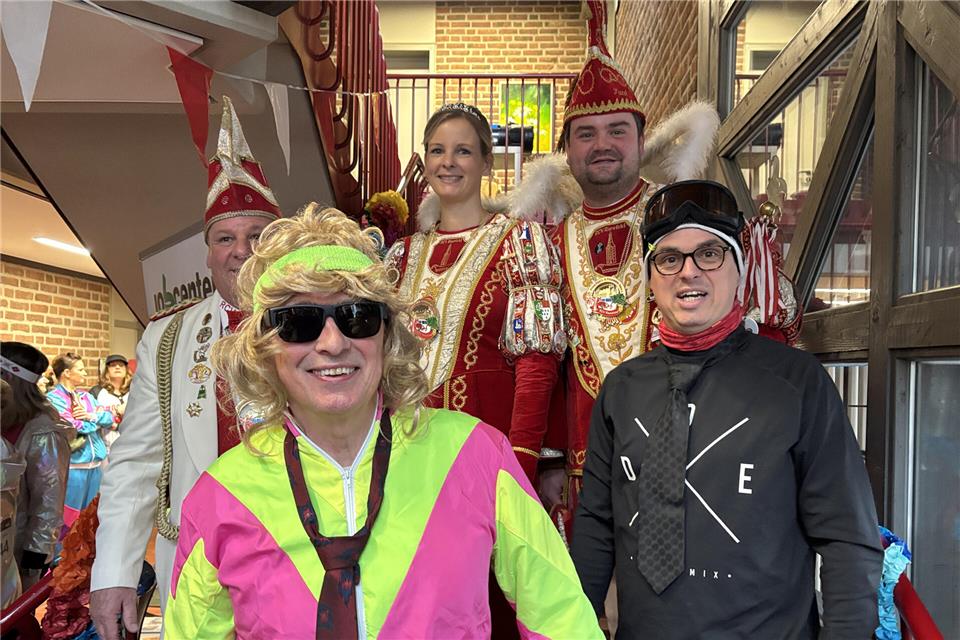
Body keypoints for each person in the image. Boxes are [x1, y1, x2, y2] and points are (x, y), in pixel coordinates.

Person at [163, 204, 602, 639]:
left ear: (387, 335)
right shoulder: (219, 498)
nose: (333, 343)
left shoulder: (475, 457)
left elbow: (564, 620)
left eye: (358, 317)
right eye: (299, 323)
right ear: (263, 348)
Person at [571, 180, 882, 638]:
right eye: (669, 258)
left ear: (738, 269)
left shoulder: (797, 383)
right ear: (651, 277)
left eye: (710, 254)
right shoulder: (621, 390)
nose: (689, 272)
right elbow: (597, 525)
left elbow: (846, 536)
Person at [509, 0, 720, 535]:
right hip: (589, 479)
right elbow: (545, 363)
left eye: (616, 130)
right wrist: (550, 459)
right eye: (586, 133)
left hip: (690, 467)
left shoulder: (685, 225)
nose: (602, 143)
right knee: (594, 611)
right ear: (567, 151)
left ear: (639, 139)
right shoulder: (551, 240)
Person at [90, 95, 282, 639]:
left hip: (302, 561)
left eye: (257, 237)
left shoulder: (318, 325)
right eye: (226, 238)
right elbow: (135, 461)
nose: (240, 251)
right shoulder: (167, 336)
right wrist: (113, 574)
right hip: (198, 573)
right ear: (207, 251)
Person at [385, 102, 565, 482]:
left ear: (486, 163)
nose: (447, 162)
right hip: (402, 459)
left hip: (484, 457)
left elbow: (537, 365)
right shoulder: (402, 255)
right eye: (438, 150)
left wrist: (519, 464)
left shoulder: (520, 241)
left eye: (462, 151)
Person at [0, 343, 71, 591]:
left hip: (15, 553)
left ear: (8, 378)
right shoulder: (6, 418)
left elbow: (48, 502)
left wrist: (35, 558)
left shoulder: (43, 431)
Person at [47, 352, 116, 510]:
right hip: (73, 469)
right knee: (70, 522)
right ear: (67, 373)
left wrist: (90, 416)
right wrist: (95, 423)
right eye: (81, 369)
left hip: (96, 467)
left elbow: (109, 418)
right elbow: (71, 427)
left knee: (90, 520)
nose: (85, 373)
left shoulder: (86, 396)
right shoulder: (53, 399)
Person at [94, 354, 130, 450]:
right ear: (107, 370)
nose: (117, 367)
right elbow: (91, 416)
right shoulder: (97, 391)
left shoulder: (134, 391)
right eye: (113, 365)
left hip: (131, 445)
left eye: (121, 365)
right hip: (106, 447)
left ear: (126, 369)